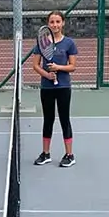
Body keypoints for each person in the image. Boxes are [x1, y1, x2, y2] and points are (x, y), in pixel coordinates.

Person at [31, 10, 78, 168]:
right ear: (48, 24)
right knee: (48, 120)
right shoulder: (43, 43)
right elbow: (35, 65)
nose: (55, 25)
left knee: (65, 120)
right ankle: (46, 153)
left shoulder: (69, 43)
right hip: (47, 87)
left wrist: (58, 67)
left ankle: (69, 155)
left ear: (63, 23)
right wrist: (47, 75)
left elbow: (72, 67)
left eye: (58, 22)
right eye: (52, 22)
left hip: (63, 87)